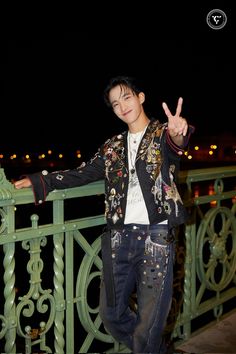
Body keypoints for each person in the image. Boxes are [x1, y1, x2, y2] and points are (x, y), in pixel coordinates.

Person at [14, 76, 194, 353]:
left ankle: (151, 346)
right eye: (115, 103)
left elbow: (177, 144)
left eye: (126, 97)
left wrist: (178, 130)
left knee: (149, 325)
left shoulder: (161, 134)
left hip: (156, 238)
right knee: (111, 315)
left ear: (141, 97)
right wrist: (41, 180)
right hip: (119, 239)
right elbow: (81, 173)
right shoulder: (112, 147)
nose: (122, 106)